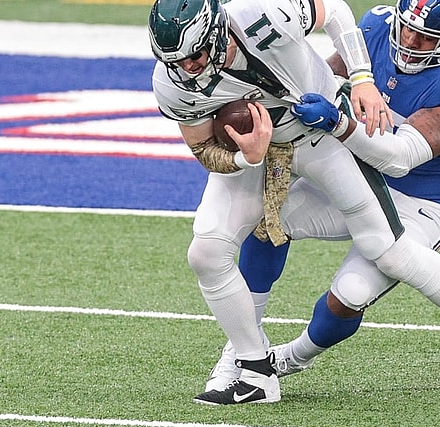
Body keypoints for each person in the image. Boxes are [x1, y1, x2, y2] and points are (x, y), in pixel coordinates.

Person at [206, 0, 440, 399]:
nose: (410, 40)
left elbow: (401, 159)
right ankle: (241, 351)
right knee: (269, 223)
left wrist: (338, 121)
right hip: (358, 178)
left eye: (426, 37)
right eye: (407, 28)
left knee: (352, 293)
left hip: (420, 200)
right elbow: (320, 76)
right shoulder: (376, 27)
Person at [149, 0, 392, 405]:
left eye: (194, 55)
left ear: (216, 32)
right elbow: (204, 150)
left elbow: (335, 11)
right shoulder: (172, 80)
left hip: (318, 132)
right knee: (206, 251)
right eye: (175, 61)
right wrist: (246, 157)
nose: (187, 68)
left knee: (386, 242)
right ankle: (254, 367)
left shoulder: (263, 12)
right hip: (259, 151)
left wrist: (362, 77)